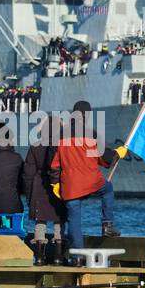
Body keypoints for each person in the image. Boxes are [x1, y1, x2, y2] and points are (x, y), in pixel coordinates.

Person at [48, 100, 121, 261]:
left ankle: (78, 257)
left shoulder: (59, 135)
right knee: (107, 189)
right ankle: (107, 224)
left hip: (70, 185)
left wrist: (55, 182)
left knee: (74, 219)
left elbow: (53, 163)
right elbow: (105, 158)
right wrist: (117, 154)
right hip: (92, 181)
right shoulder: (92, 134)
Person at [22, 136, 66, 265]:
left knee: (40, 220)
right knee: (59, 219)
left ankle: (40, 256)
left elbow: (28, 172)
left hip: (39, 183)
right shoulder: (63, 145)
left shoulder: (36, 146)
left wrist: (29, 192)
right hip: (58, 182)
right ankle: (58, 256)